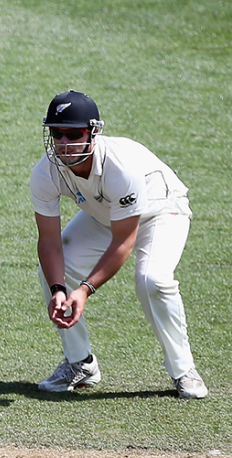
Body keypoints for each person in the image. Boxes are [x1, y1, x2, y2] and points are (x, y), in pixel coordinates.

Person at [31, 90, 206, 399]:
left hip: (161, 211)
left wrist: (83, 290)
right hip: (106, 213)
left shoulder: (120, 168)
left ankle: (184, 371)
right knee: (55, 270)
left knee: (152, 280)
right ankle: (80, 363)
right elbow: (48, 240)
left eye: (73, 134)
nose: (63, 143)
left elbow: (124, 241)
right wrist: (60, 289)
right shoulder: (46, 172)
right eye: (56, 134)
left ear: (93, 133)